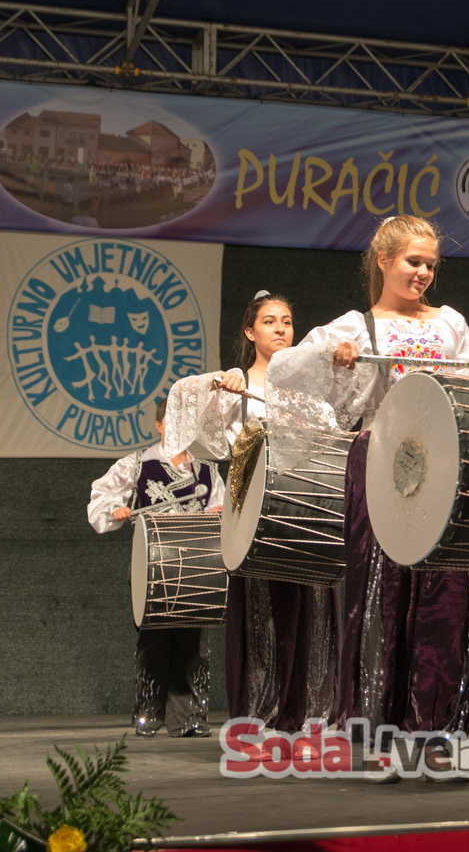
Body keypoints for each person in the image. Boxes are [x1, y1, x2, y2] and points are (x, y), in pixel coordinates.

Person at [279, 215, 469, 782]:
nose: (423, 273)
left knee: (448, 598)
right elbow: (288, 375)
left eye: (431, 265)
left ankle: (435, 733)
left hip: (445, 462)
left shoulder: (451, 322)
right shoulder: (355, 326)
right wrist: (330, 357)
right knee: (381, 596)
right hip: (381, 460)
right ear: (384, 260)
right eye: (414, 261)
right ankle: (380, 735)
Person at [162, 291, 338, 733]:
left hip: (301, 509)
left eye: (287, 321)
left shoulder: (306, 391)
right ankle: (257, 716)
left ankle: (301, 716)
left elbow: (331, 442)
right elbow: (182, 402)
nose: (280, 329)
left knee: (306, 611)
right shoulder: (236, 383)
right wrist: (218, 383)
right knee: (259, 613)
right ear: (250, 332)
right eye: (269, 321)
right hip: (255, 512)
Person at [88, 399, 225, 738]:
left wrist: (220, 513)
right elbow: (101, 495)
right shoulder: (137, 464)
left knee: (193, 642)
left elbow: (222, 508)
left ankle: (190, 718)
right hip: (152, 566)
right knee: (154, 639)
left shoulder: (206, 470)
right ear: (159, 425)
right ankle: (149, 714)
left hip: (195, 566)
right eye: (172, 422)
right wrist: (116, 509)